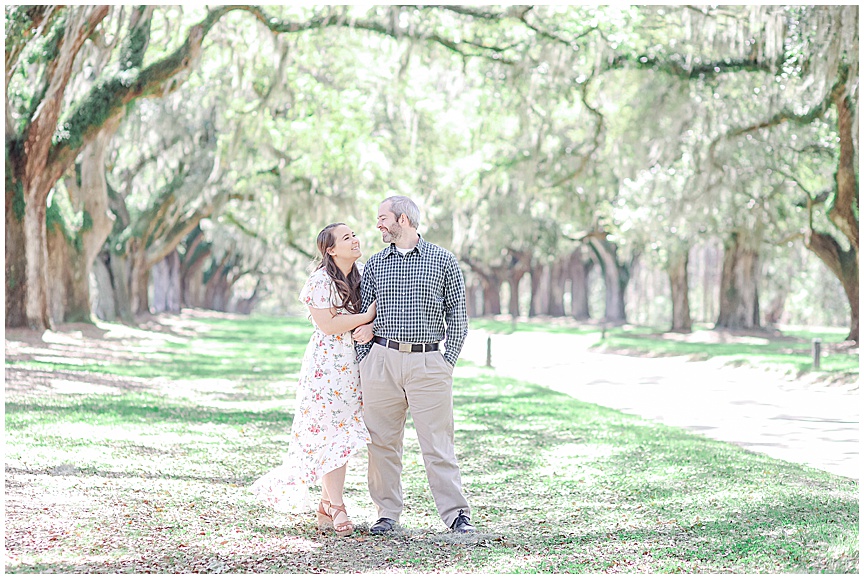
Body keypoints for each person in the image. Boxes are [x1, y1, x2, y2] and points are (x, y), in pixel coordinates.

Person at [352, 195, 475, 534]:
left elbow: (459, 318)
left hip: (429, 363)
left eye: (383, 217)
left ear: (403, 219)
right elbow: (363, 315)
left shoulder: (443, 260)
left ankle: (456, 515)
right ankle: (386, 513)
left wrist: (445, 361)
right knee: (381, 443)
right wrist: (367, 360)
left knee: (437, 443)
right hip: (381, 362)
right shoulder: (375, 265)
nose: (378, 224)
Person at [250, 223, 375, 538]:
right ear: (331, 249)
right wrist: (366, 316)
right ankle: (338, 506)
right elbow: (328, 324)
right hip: (326, 369)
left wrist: (370, 324)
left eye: (354, 235)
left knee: (344, 437)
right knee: (330, 434)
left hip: (354, 367)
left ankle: (326, 503)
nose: (355, 240)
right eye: (346, 238)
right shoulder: (320, 281)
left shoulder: (363, 277)